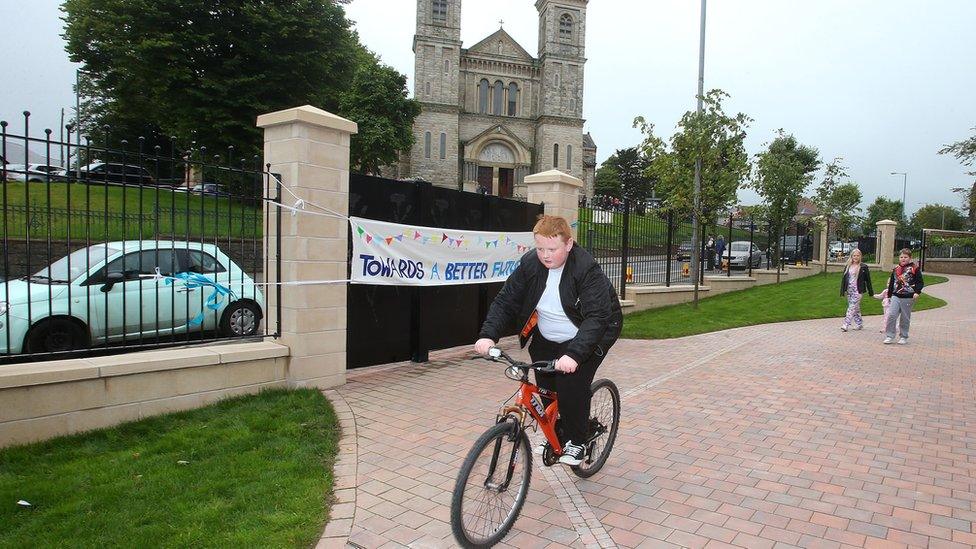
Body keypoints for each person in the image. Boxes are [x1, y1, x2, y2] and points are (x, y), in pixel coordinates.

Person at [475, 215, 622, 466]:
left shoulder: (586, 269)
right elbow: (506, 300)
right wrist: (488, 335)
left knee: (571, 384)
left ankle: (577, 441)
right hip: (547, 336)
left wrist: (574, 355)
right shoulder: (530, 265)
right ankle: (558, 432)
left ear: (569, 244)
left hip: (590, 334)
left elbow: (597, 317)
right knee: (546, 386)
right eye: (540, 248)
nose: (545, 255)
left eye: (552, 249)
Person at [884, 248, 924, 345]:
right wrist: (889, 295)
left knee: (905, 317)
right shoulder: (896, 269)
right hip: (895, 295)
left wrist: (917, 292)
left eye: (905, 257)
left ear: (910, 258)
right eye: (901, 257)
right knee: (892, 315)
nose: (903, 259)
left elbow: (920, 282)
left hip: (908, 296)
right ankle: (889, 335)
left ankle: (903, 336)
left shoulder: (915, 268)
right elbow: (892, 283)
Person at [839, 248, 872, 332]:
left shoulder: (863, 267)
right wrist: (842, 291)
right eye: (854, 255)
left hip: (858, 290)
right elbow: (844, 279)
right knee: (855, 308)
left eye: (858, 255)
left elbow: (868, 280)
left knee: (851, 307)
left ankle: (846, 324)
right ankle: (859, 323)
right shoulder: (848, 266)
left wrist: (871, 291)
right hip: (849, 290)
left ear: (860, 256)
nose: (856, 257)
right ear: (851, 256)